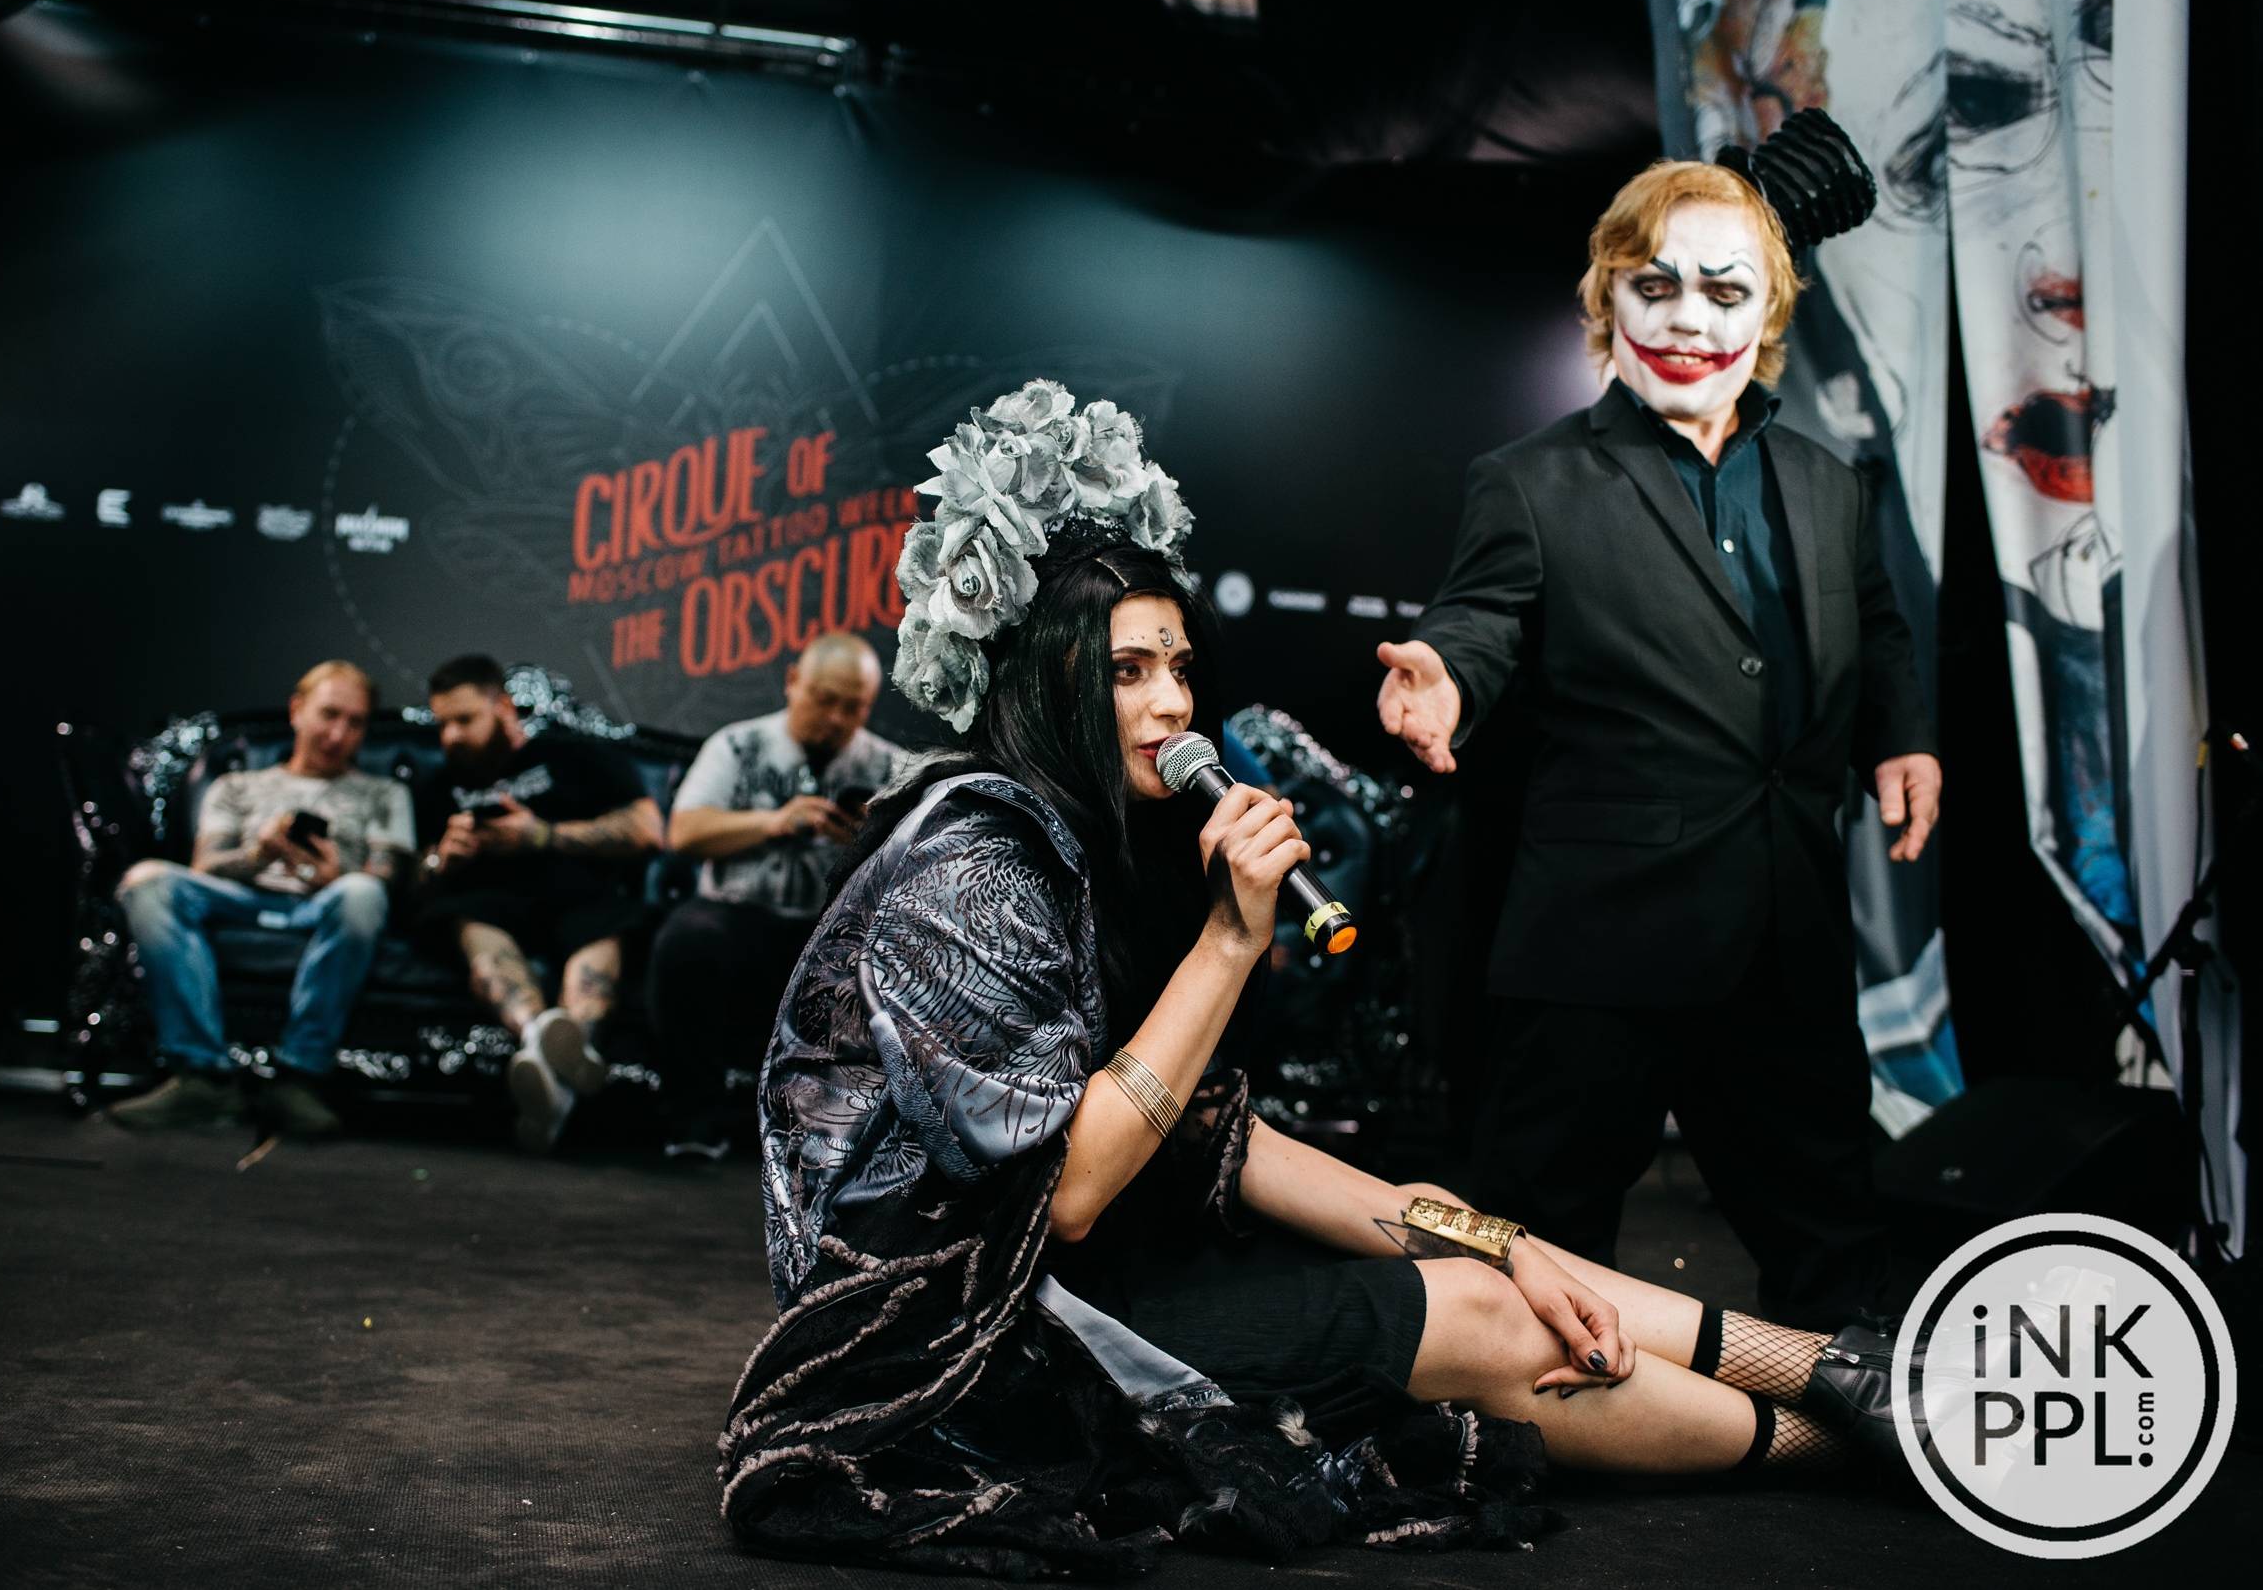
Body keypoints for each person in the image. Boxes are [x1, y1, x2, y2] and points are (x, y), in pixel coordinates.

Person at [721, 382, 1896, 1578]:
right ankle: (1858, 1446)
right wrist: (1230, 943)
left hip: (1094, 1273)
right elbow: (1067, 1190)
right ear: (1040, 679)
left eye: (1178, 665)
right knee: (1481, 1318)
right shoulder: (970, 862)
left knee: (1488, 1261)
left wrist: (1494, 1237)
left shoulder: (1103, 849)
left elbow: (1224, 1138)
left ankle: (1851, 1376)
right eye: (1125, 670)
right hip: (965, 1342)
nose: (1174, 702)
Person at [1375, 142, 1942, 1330]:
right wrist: (1446, 680)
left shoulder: (1828, 483)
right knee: (1536, 1247)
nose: (1689, 317)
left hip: (1785, 933)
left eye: (1725, 291)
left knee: (1832, 1246)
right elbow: (1479, 621)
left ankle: (1835, 1429)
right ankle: (1511, 1426)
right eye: (1656, 285)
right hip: (1601, 941)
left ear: (1768, 310)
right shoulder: (1530, 481)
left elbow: (1877, 627)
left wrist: (1902, 736)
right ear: (1607, 299)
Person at [110, 659, 412, 1137]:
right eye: (329, 715)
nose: (338, 734)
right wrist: (259, 853)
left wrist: (334, 875)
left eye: (355, 723)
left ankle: (299, 1075)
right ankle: (203, 1076)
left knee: (362, 891)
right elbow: (204, 867)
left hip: (324, 905)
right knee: (147, 881)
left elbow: (386, 879)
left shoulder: (384, 794)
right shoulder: (237, 785)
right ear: (297, 710)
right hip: (239, 899)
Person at [648, 630, 898, 1156]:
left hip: (831, 928)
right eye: (824, 700)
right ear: (793, 681)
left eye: (853, 707)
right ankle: (692, 1120)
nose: (836, 719)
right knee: (687, 940)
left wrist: (871, 839)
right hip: (737, 914)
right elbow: (684, 832)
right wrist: (773, 822)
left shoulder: (892, 768)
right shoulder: (736, 745)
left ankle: (835, 1137)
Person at [412, 655, 663, 1154]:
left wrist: (541, 834)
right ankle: (543, 1043)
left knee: (601, 934)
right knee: (474, 932)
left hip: (581, 895)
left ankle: (548, 1064)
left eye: (465, 720)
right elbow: (412, 882)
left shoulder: (575, 755)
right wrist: (444, 856)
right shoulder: (439, 785)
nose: (451, 736)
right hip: (488, 903)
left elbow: (647, 830)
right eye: (442, 724)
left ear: (504, 707)